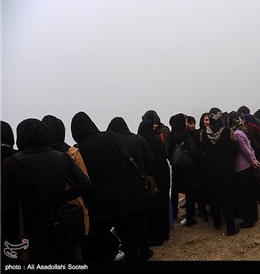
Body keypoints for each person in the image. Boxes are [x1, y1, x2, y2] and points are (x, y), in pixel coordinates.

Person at [2, 118, 92, 262]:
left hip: (33, 231)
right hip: (63, 226)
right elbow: (86, 184)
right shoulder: (63, 157)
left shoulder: (12, 163)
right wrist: (65, 195)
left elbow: (8, 205)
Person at [71, 111, 138, 261]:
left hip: (98, 201)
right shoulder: (110, 136)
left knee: (100, 237)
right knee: (127, 234)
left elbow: (82, 177)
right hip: (120, 194)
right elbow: (124, 163)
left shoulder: (79, 149)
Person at [107, 117, 156, 260]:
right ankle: (145, 251)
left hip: (121, 189)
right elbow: (151, 161)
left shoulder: (112, 143)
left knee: (126, 226)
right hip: (140, 187)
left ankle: (132, 254)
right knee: (141, 222)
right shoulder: (139, 139)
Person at [199, 108, 239, 236]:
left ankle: (216, 224)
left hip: (210, 170)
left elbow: (201, 151)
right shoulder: (228, 131)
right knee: (228, 198)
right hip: (226, 169)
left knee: (213, 197)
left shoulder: (203, 133)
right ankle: (231, 227)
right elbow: (235, 149)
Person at [229, 111, 260, 228]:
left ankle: (249, 220)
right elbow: (250, 149)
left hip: (241, 167)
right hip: (247, 166)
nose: (241, 120)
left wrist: (253, 161)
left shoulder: (236, 133)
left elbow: (245, 150)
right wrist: (254, 160)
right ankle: (254, 216)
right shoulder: (242, 132)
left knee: (245, 195)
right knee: (250, 193)